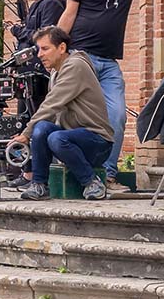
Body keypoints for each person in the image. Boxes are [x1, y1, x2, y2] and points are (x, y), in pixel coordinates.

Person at [57, 0, 164, 193]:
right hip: (81, 57)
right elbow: (69, 13)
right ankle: (79, 174)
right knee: (73, 115)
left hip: (109, 62)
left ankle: (109, 175)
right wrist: (57, 49)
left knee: (117, 116)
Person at [7, 26, 113, 201]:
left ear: (62, 48)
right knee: (41, 128)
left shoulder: (75, 66)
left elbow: (51, 104)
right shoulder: (57, 71)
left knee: (56, 138)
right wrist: (32, 132)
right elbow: (50, 113)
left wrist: (25, 134)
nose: (40, 54)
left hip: (98, 141)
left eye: (45, 48)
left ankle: (92, 183)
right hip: (72, 137)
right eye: (39, 49)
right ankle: (39, 185)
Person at [5, 0, 66, 187]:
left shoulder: (52, 3)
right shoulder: (41, 3)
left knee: (36, 119)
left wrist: (18, 31)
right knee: (24, 119)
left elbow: (44, 36)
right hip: (28, 72)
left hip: (39, 73)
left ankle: (38, 173)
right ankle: (28, 171)